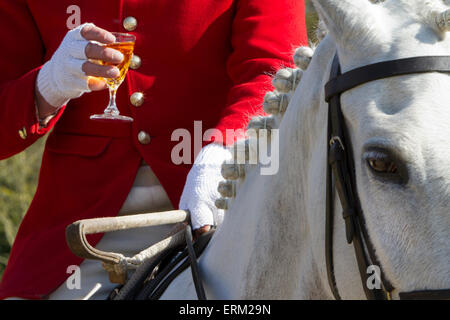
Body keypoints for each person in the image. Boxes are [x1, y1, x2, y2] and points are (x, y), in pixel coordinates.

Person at [0, 0, 307, 299]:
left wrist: (224, 151)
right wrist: (47, 85)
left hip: (222, 202)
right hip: (84, 230)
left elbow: (276, 71)